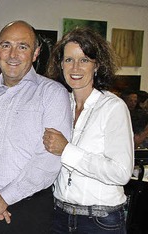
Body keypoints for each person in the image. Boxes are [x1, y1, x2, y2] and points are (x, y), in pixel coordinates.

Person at [0, 20, 72, 233]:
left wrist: (4, 198)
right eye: (6, 45)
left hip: (31, 209)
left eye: (22, 46)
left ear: (36, 53)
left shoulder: (52, 94)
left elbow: (49, 159)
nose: (12, 54)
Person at [43, 27, 133, 233]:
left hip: (100, 221)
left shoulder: (113, 107)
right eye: (68, 60)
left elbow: (121, 173)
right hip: (59, 216)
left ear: (97, 65)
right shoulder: (59, 103)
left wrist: (66, 151)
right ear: (60, 64)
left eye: (84, 60)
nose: (75, 67)